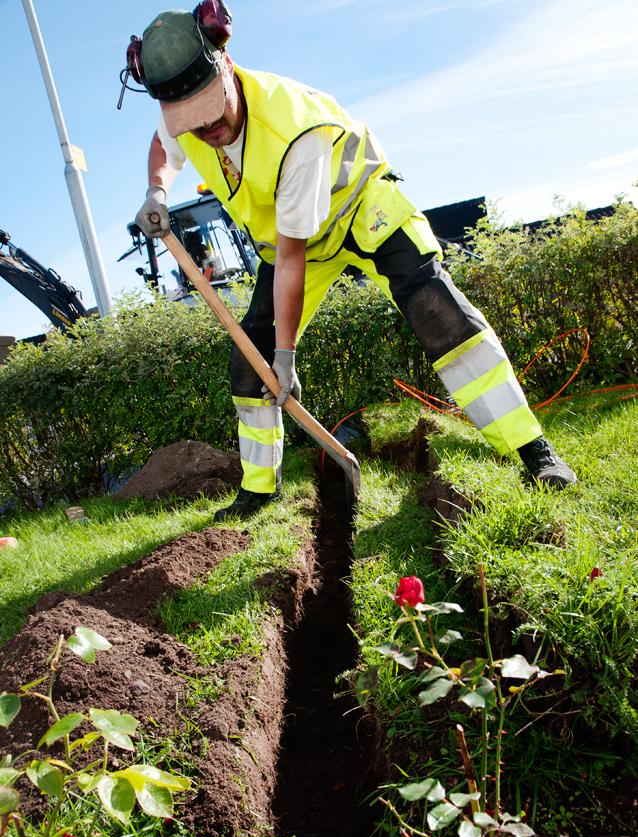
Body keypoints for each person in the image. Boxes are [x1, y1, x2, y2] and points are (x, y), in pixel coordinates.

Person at [131, 6, 577, 521]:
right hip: (294, 241)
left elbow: (294, 259)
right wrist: (156, 191)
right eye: (193, 122)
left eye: (213, 113)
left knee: (438, 312)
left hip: (362, 211)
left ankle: (534, 452)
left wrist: (288, 354)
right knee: (249, 360)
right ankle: (258, 489)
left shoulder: (295, 129)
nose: (207, 129)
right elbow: (163, 146)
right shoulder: (185, 117)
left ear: (226, 64)